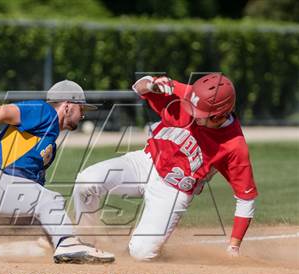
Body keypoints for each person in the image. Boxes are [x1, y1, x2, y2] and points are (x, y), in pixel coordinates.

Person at [0, 80, 115, 264]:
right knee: (51, 201)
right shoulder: (44, 112)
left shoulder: (48, 143)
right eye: (81, 109)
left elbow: (30, 193)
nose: (82, 115)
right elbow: (4, 112)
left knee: (45, 237)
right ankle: (67, 244)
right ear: (67, 106)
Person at [72, 73, 258, 261]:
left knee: (141, 253)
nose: (192, 114)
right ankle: (87, 243)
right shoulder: (189, 94)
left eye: (200, 114)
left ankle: (145, 247)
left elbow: (246, 198)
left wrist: (234, 246)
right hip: (145, 162)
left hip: (173, 190)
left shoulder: (234, 145)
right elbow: (138, 86)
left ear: (219, 116)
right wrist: (152, 84)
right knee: (86, 182)